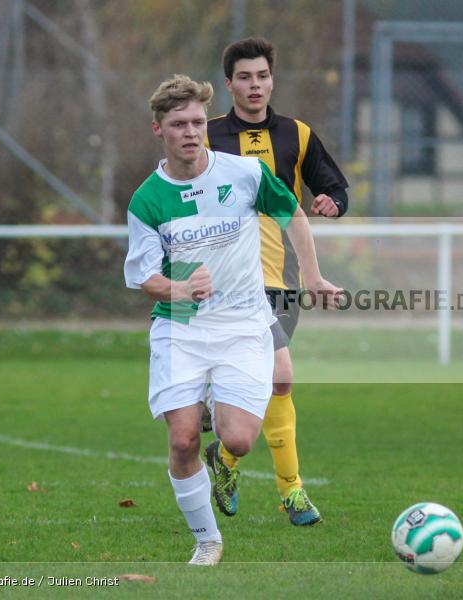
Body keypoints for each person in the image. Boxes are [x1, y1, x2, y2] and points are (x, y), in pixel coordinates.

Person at [123, 74, 340, 565]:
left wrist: (313, 276)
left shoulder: (243, 173)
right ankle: (207, 541)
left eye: (197, 122)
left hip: (243, 323)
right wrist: (179, 288)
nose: (190, 132)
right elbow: (143, 278)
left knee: (238, 438)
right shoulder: (148, 199)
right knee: (182, 439)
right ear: (158, 129)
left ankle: (213, 414)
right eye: (178, 124)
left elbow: (292, 214)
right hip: (181, 325)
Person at [202, 37, 350, 526]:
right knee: (280, 374)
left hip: (282, 281)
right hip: (228, 282)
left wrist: (332, 202)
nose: (255, 85)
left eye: (262, 76)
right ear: (229, 84)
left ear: (273, 80)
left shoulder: (296, 135)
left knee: (270, 383)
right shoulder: (208, 136)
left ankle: (225, 458)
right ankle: (293, 492)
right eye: (244, 77)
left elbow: (333, 185)